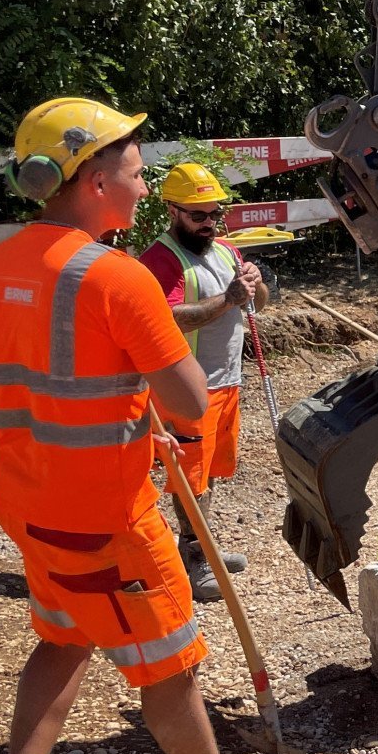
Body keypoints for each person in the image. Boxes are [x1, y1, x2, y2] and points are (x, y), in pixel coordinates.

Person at [0, 98, 315, 754]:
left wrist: (119, 405)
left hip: (30, 504)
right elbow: (189, 402)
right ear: (91, 178)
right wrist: (140, 405)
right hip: (108, 519)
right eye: (132, 166)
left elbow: (10, 387)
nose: (140, 180)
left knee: (62, 638)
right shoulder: (118, 278)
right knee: (171, 667)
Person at [137, 163, 267, 601]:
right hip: (186, 386)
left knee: (211, 471)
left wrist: (255, 285)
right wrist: (228, 299)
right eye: (199, 215)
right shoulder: (159, 259)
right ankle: (196, 563)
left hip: (226, 380)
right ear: (173, 211)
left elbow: (257, 304)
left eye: (214, 214)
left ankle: (202, 551)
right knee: (190, 477)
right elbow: (166, 317)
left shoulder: (227, 250)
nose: (209, 222)